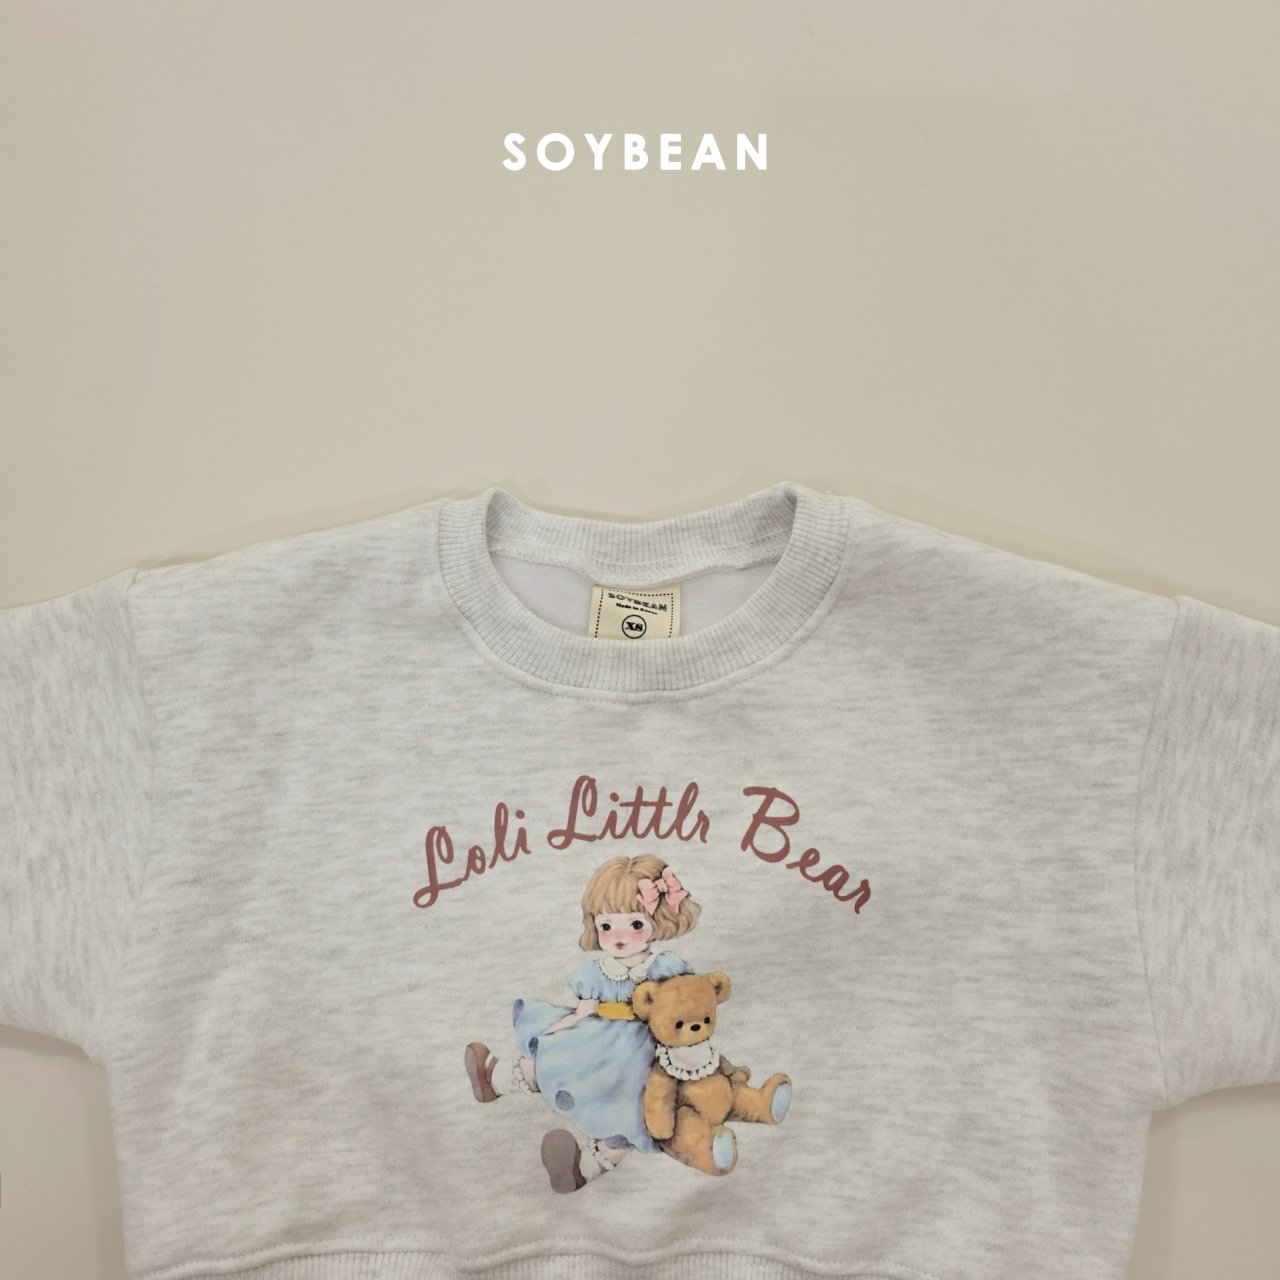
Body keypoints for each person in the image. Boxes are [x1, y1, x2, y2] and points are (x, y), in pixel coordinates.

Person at [465, 853, 700, 1192]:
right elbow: (583, 1011)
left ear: (658, 919)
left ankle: (584, 1170)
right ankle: (497, 1080)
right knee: (560, 1056)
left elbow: (682, 1012)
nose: (619, 936)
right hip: (598, 1035)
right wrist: (550, 1036)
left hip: (644, 1051)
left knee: (632, 1111)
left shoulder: (665, 967)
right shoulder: (597, 971)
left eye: (635, 924)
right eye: (606, 925)